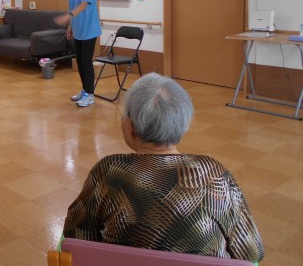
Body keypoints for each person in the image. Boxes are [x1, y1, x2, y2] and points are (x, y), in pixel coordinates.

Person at [62, 73, 264, 263]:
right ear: (183, 124)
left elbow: (75, 238)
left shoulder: (109, 171)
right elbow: (252, 251)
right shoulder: (214, 174)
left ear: (130, 126)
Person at [54, 0, 101, 107]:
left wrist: (68, 16)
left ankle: (90, 95)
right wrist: (70, 27)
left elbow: (83, 5)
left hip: (89, 30)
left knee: (86, 62)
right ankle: (85, 90)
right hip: (78, 29)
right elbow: (72, 7)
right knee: (79, 61)